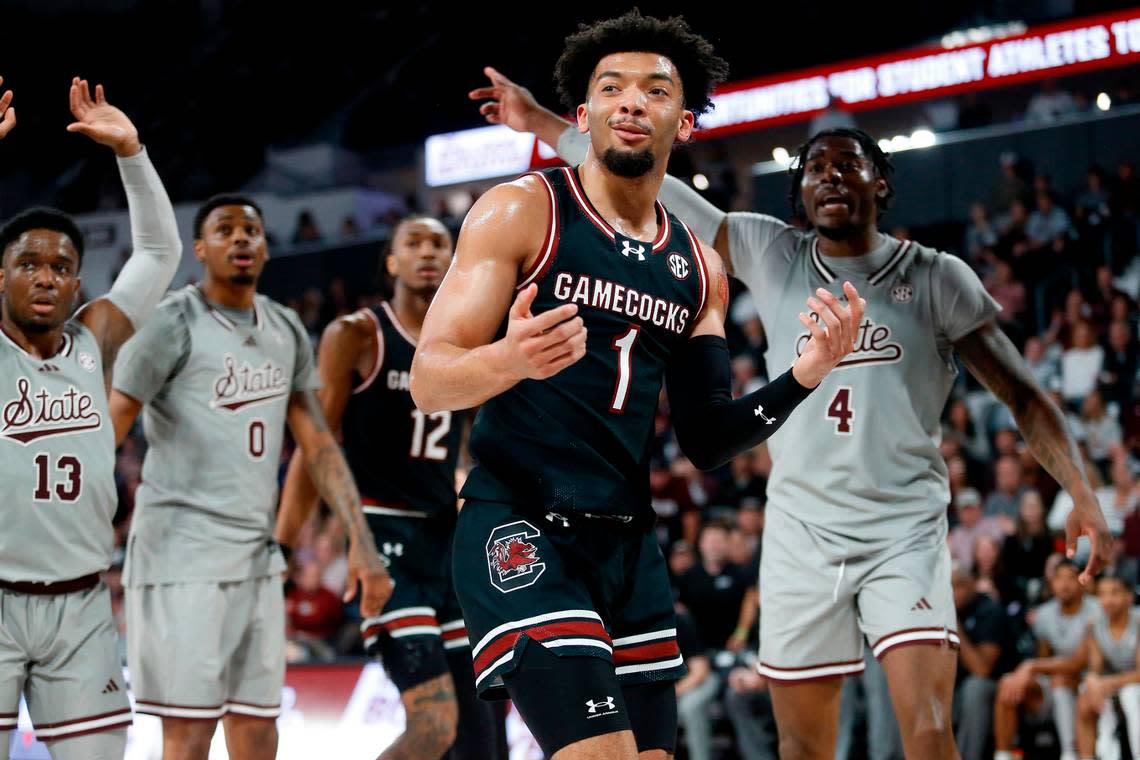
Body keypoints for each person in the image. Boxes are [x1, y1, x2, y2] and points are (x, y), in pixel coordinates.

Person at [475, 60, 1112, 760]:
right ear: (799, 194)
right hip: (802, 530)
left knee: (929, 730)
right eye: (816, 169)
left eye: (850, 165)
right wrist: (538, 122)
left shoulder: (935, 275)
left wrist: (1079, 488)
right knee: (802, 745)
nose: (832, 177)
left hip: (904, 526)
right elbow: (663, 191)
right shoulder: (772, 250)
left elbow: (1024, 394)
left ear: (883, 184)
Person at [413, 12, 864, 759]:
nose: (630, 102)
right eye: (611, 88)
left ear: (681, 121)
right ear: (583, 115)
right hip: (518, 520)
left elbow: (711, 438)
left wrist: (805, 375)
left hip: (627, 543)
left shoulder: (698, 267)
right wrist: (510, 360)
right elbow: (430, 381)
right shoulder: (522, 210)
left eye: (654, 91)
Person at [108, 193, 390, 760]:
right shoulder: (169, 322)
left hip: (256, 558)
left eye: (252, 230)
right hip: (178, 559)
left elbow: (318, 443)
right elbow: (108, 431)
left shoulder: (284, 326)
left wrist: (361, 543)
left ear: (265, 246)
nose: (241, 239)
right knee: (189, 735)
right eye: (226, 230)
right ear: (200, 249)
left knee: (259, 732)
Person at [276, 215, 505, 760]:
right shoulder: (355, 333)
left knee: (482, 737)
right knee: (433, 725)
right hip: (384, 539)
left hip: (447, 542)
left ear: (456, 259)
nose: (428, 251)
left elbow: (468, 440)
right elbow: (316, 447)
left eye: (439, 243)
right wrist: (286, 545)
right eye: (414, 242)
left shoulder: (465, 339)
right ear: (392, 262)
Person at [0, 77, 183, 759]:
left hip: (80, 605)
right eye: (28, 264)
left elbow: (161, 255)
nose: (46, 277)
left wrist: (133, 152)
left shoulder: (94, 338)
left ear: (78, 282)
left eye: (62, 267)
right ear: (1, 276)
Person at [994, 559, 1100, 760]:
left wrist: (1031, 666)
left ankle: (1070, 752)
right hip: (1056, 682)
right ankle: (1003, 755)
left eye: (1071, 578)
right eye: (1059, 578)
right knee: (1009, 683)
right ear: (1051, 583)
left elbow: (1079, 662)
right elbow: (1044, 657)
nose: (1064, 584)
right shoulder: (1044, 613)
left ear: (1082, 582)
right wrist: (1028, 675)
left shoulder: (1096, 610)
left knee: (1060, 681)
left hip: (1087, 681)